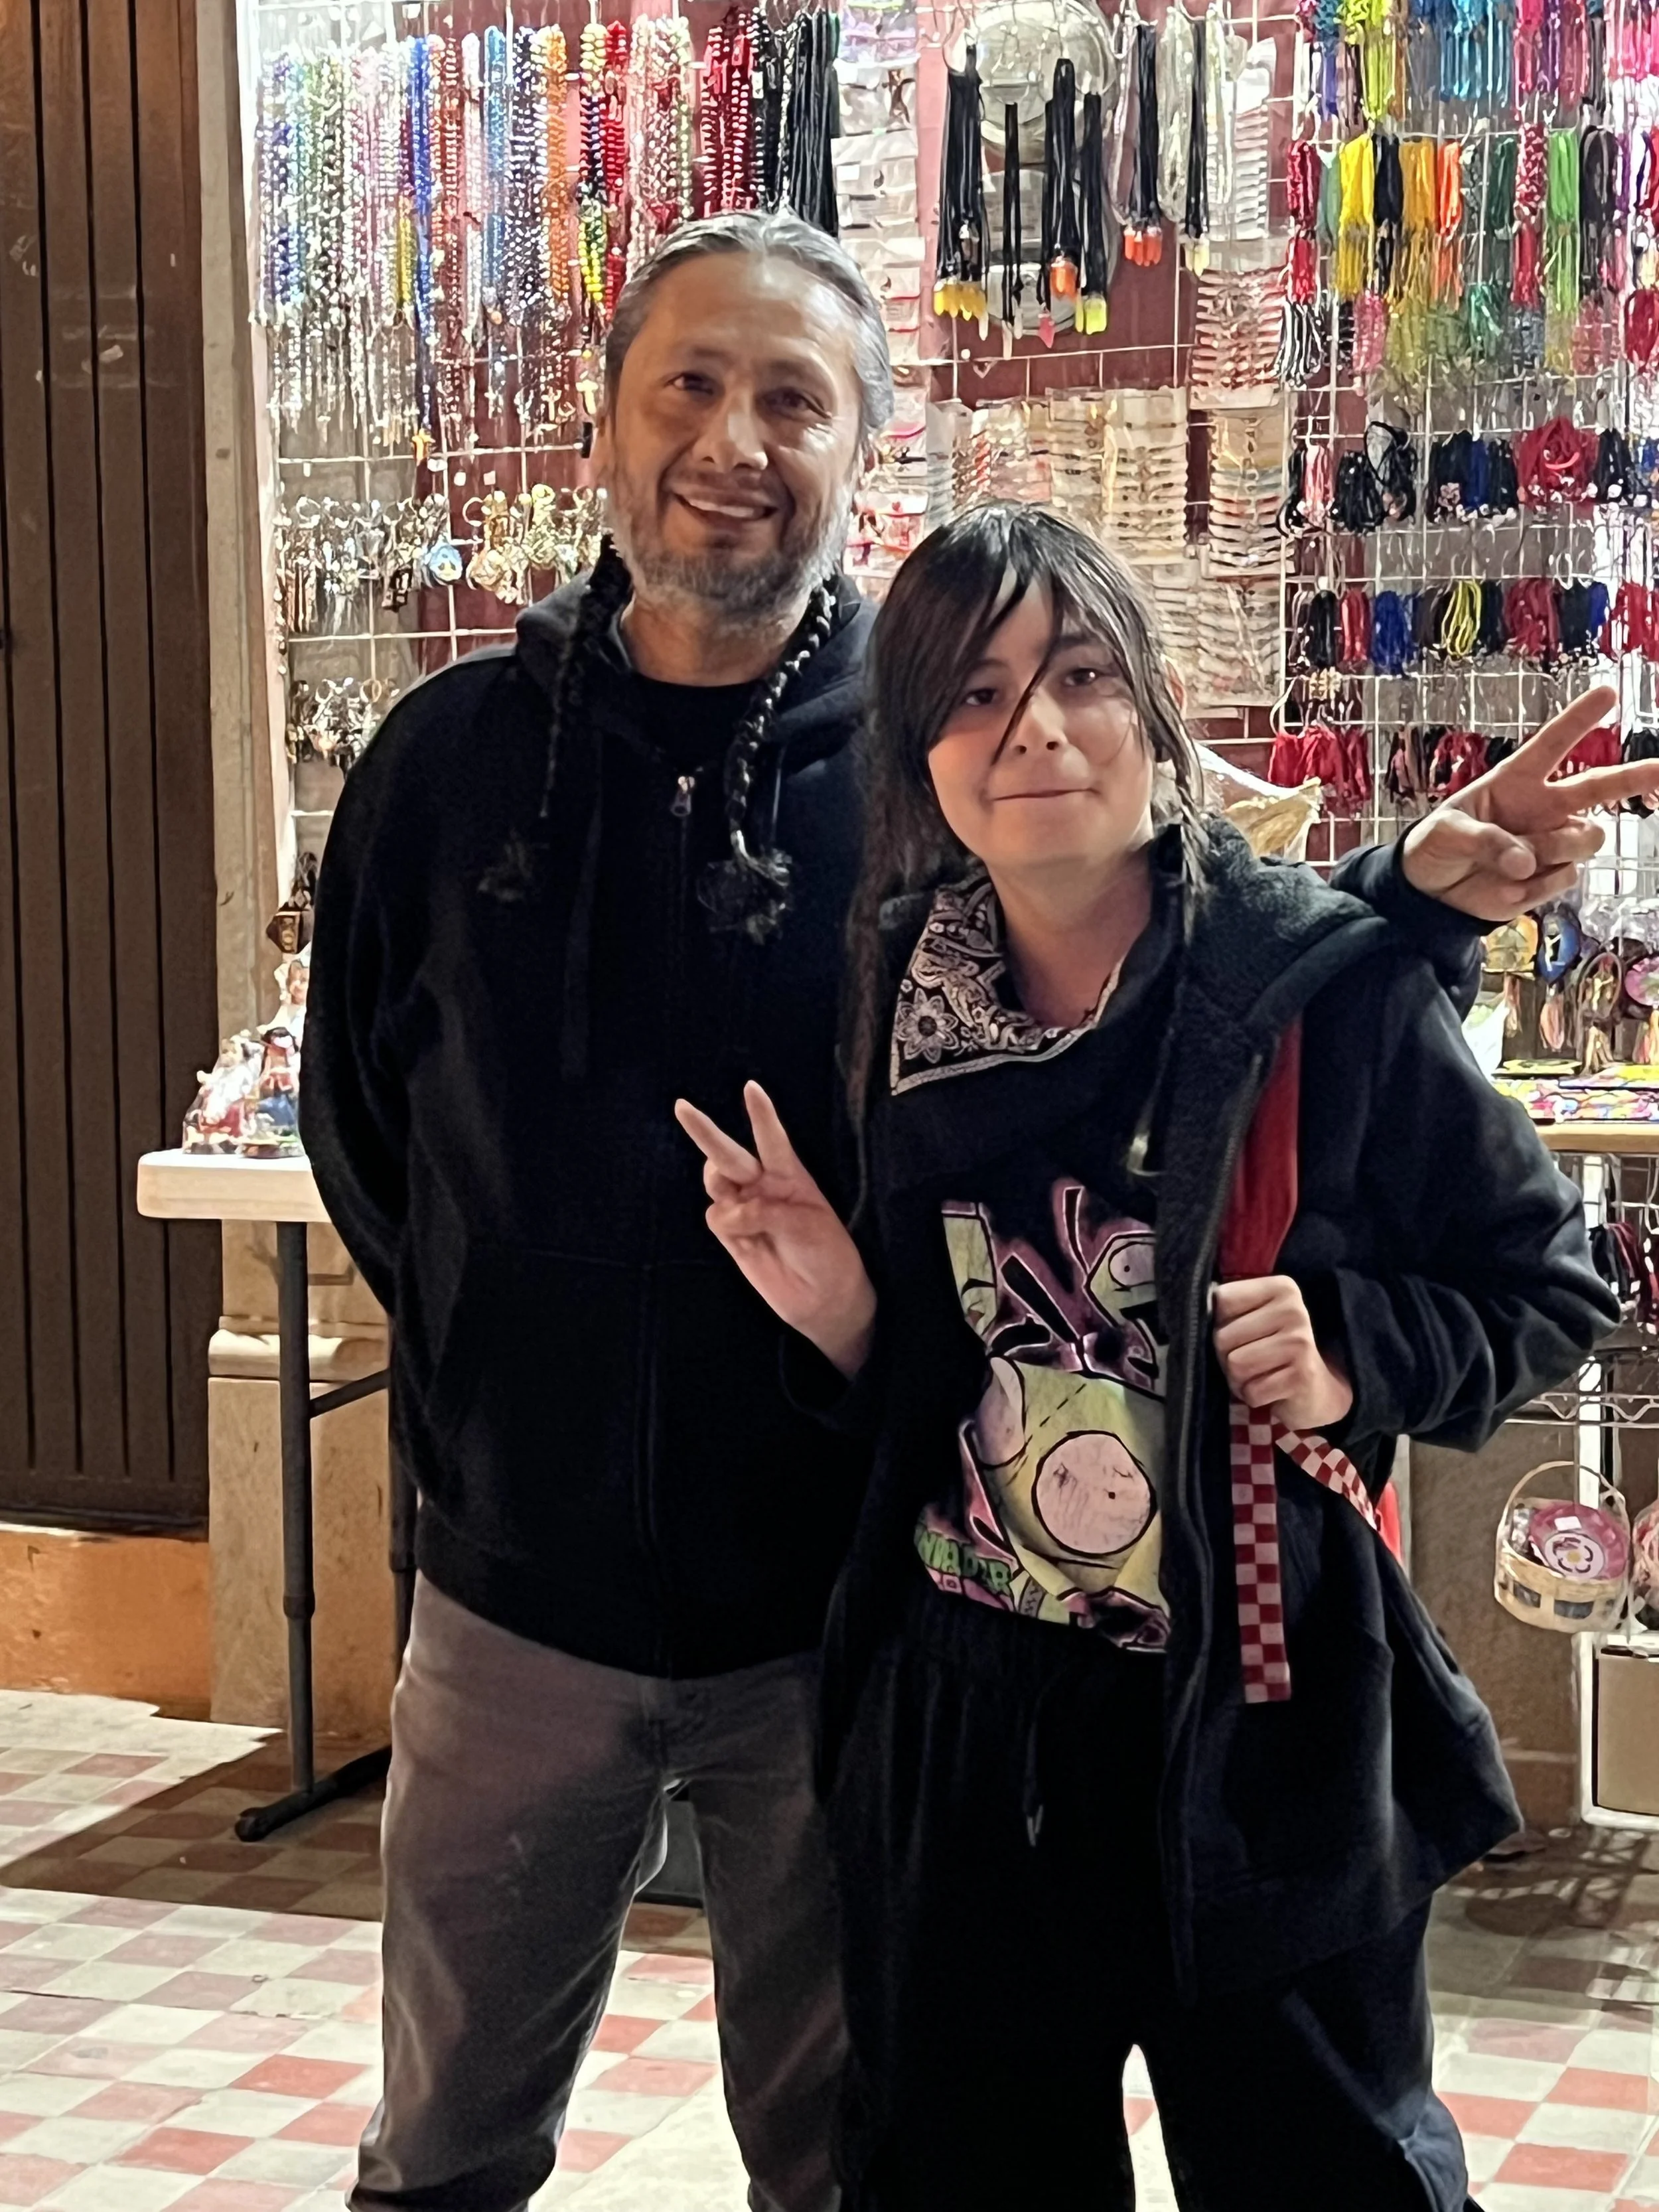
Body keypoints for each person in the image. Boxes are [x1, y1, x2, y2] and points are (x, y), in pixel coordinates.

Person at [304, 212, 1650, 2212]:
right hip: (599, 1618)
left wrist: (1395, 921)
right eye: (691, 380)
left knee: (917, 2156)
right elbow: (365, 1138)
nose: (734, 437)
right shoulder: (454, 767)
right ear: (604, 422)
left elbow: (1189, 978)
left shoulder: (916, 767)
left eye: (794, 398)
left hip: (934, 1650)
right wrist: (559, 1376)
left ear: (862, 454)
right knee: (469, 2146)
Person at [676, 504, 1621, 2212]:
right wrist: (841, 1313)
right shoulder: (905, 991)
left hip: (1256, 1717)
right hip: (971, 1727)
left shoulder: (1317, 989)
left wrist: (1349, 1347)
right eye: (967, 697)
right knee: (961, 2172)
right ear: (916, 758)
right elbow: (943, 1378)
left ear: (1153, 712)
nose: (1028, 728)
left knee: (1320, 2171)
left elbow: (1542, 1284)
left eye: (1080, 677)